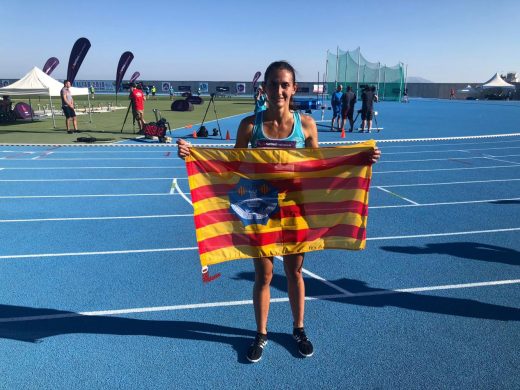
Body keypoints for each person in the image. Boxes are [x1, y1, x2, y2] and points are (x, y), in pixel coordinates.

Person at [177, 61, 381, 363]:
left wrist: (361, 158)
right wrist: (193, 154)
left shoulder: (307, 125)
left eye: (285, 84)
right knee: (264, 274)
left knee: (294, 271)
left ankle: (298, 329)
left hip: (296, 207)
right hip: (259, 207)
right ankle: (261, 333)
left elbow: (320, 168)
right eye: (274, 84)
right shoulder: (250, 125)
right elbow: (232, 166)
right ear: (265, 88)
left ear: (294, 88)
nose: (279, 90)